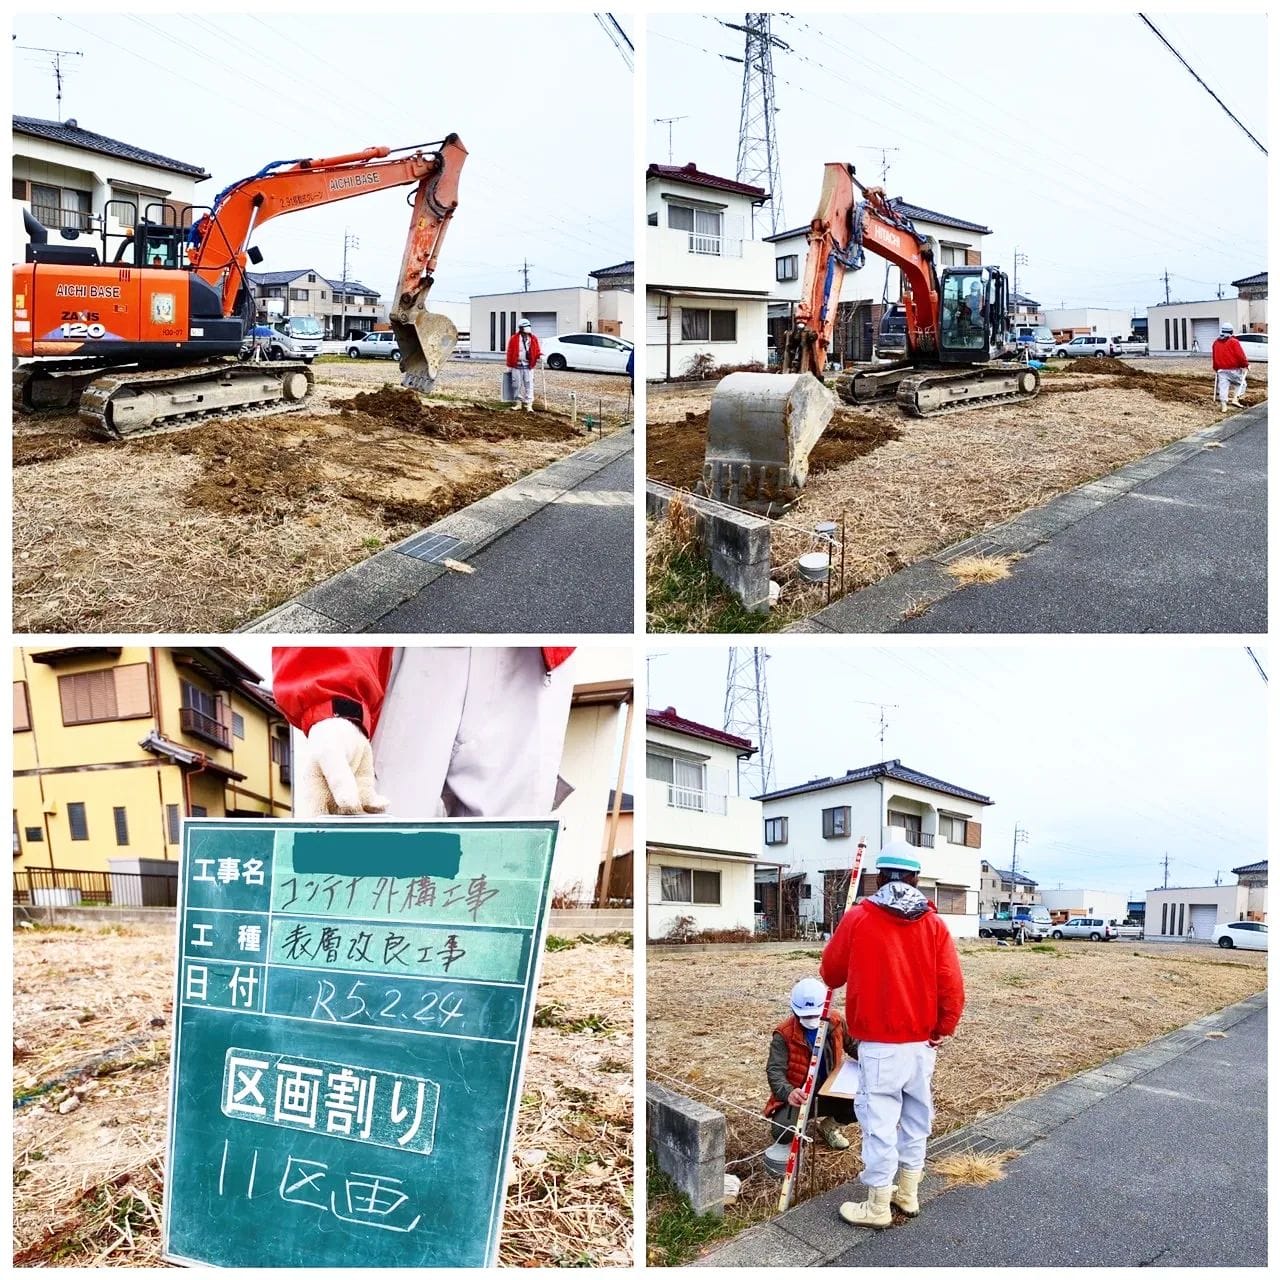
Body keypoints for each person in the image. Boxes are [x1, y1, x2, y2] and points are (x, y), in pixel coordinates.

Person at [819, 842, 965, 1229]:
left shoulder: (859, 917)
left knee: (879, 1122)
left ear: (879, 877)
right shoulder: (934, 924)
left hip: (879, 1043)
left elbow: (831, 974)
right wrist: (943, 1028)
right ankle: (909, 1193)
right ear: (916, 878)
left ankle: (878, 1204)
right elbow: (952, 985)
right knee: (917, 1117)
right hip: (922, 1044)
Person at [271, 647, 574, 819]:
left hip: (536, 658)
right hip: (402, 654)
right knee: (367, 852)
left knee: (504, 866)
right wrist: (334, 704)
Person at [764, 977, 858, 1151]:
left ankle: (829, 1126)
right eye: (806, 1016)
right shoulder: (784, 1034)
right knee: (783, 1132)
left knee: (866, 1103)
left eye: (816, 1015)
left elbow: (853, 1045)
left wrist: (873, 1060)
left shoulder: (836, 1021)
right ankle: (800, 1123)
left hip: (830, 1089)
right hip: (801, 1096)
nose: (812, 1019)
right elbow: (774, 1070)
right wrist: (789, 1092)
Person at [1211, 324, 1249, 412]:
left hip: (1221, 370)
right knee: (1241, 384)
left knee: (1223, 388)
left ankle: (1224, 406)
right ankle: (1235, 399)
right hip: (1234, 369)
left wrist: (1215, 368)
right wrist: (1246, 364)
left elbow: (1214, 357)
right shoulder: (1234, 342)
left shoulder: (1216, 343)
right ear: (1231, 331)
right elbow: (1240, 355)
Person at [505, 318, 541, 412]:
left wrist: (540, 355)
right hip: (516, 365)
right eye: (525, 326)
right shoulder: (514, 338)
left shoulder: (533, 338)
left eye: (528, 326)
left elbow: (537, 349)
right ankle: (518, 403)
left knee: (529, 384)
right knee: (516, 384)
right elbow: (510, 352)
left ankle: (529, 405)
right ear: (520, 328)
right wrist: (509, 365)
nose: (527, 328)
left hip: (528, 365)